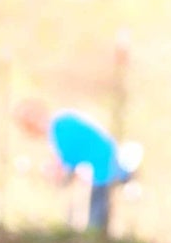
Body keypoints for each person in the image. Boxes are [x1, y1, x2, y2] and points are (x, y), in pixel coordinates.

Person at [18, 97, 131, 233]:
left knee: (95, 215)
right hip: (99, 170)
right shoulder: (60, 124)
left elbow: (68, 161)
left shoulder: (60, 125)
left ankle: (94, 240)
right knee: (90, 210)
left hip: (101, 170)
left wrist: (56, 172)